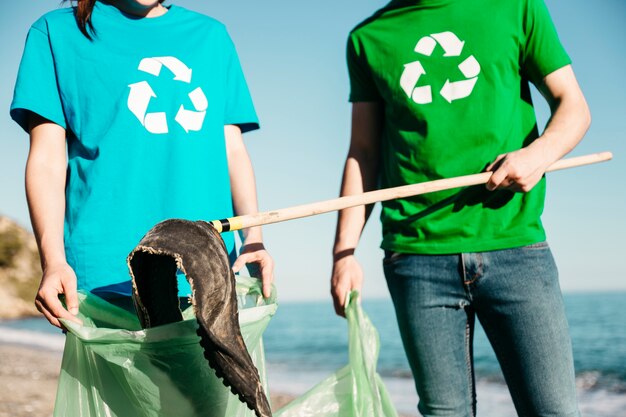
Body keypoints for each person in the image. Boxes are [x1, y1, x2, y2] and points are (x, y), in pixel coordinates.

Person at [330, 0, 590, 416]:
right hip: (415, 258)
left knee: (555, 410)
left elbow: (573, 106)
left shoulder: (517, 7)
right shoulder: (367, 38)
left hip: (516, 245)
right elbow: (362, 152)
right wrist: (343, 253)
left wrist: (539, 155)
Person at [11, 0, 274, 329]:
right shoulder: (56, 32)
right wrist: (53, 262)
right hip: (103, 278)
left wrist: (254, 236)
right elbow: (47, 159)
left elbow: (233, 150)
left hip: (205, 270)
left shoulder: (211, 37)